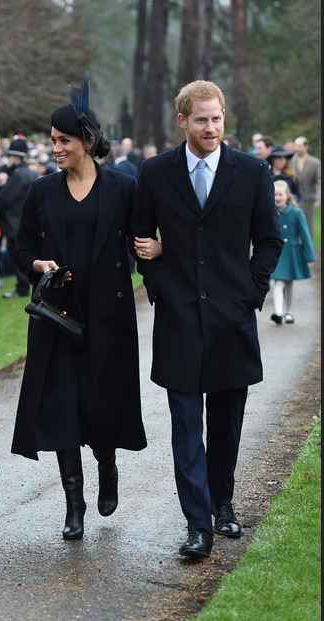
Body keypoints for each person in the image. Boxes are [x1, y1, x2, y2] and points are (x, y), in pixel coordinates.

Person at [132, 80, 283, 559]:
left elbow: (270, 241)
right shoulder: (155, 173)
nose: (211, 127)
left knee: (225, 424)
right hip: (178, 318)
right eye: (201, 119)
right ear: (183, 121)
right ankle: (197, 525)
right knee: (184, 425)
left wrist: (250, 294)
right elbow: (140, 238)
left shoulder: (252, 172)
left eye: (216, 119)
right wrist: (159, 287)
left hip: (230, 319)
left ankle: (223, 504)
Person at [11, 72, 155, 541]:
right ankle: (74, 503)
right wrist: (37, 264)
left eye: (63, 140)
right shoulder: (41, 191)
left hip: (108, 319)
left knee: (101, 406)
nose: (55, 148)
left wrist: (156, 254)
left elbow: (140, 245)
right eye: (52, 140)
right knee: (62, 409)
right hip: (57, 318)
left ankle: (107, 464)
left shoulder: (122, 189)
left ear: (88, 141)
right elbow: (19, 251)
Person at [0, 138, 37, 299]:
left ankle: (22, 289)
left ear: (16, 157)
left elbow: (5, 199)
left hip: (15, 222)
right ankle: (23, 287)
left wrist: (0, 189)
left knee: (18, 257)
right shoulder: (25, 173)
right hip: (19, 221)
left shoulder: (20, 175)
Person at [269, 180, 316, 325]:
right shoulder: (269, 212)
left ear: (287, 195)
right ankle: (278, 312)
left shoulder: (297, 212)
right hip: (276, 253)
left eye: (280, 194)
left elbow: (305, 234)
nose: (277, 197)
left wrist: (309, 255)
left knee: (288, 284)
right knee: (278, 281)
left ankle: (288, 312)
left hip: (292, 253)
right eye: (275, 194)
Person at [291, 136, 321, 237]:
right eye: (295, 146)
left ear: (306, 146)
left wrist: (318, 197)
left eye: (299, 146)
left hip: (308, 200)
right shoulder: (290, 161)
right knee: (293, 227)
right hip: (293, 200)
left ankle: (308, 251)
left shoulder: (315, 162)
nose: (296, 149)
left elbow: (319, 180)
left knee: (308, 227)